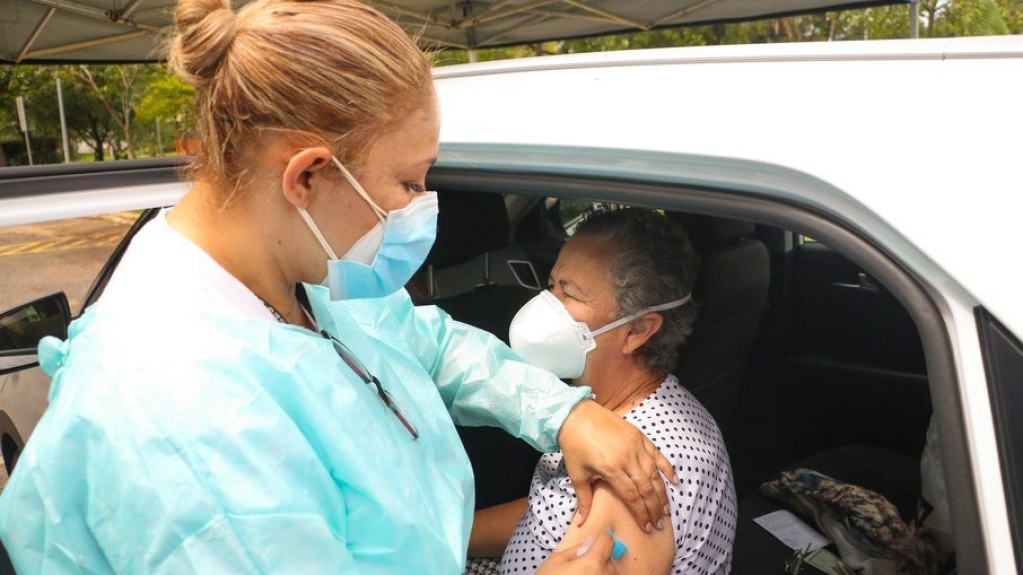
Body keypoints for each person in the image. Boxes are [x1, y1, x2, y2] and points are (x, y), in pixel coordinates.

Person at [0, 2, 677, 573]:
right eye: (409, 182)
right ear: (307, 177)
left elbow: (421, 341)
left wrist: (562, 413)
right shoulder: (181, 422)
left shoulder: (295, 268)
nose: (421, 207)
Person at [466, 207, 737, 575]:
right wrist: (447, 533)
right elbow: (546, 514)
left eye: (569, 294)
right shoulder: (613, 416)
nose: (546, 306)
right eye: (551, 286)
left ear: (638, 330)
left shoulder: (635, 471)